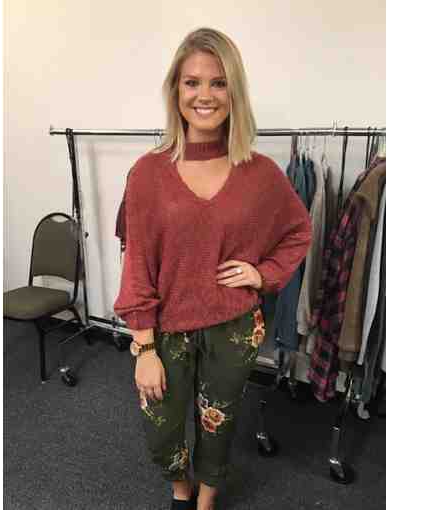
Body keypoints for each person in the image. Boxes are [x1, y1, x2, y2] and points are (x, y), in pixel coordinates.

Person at [114, 27, 312, 510]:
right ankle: (180, 491)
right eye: (192, 82)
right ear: (175, 90)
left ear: (234, 91)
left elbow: (299, 230)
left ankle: (205, 499)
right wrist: (144, 346)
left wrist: (263, 274)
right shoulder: (147, 173)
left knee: (218, 423)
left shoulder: (259, 172)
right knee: (162, 429)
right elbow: (136, 261)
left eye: (219, 82)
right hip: (165, 331)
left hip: (233, 326)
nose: (205, 95)